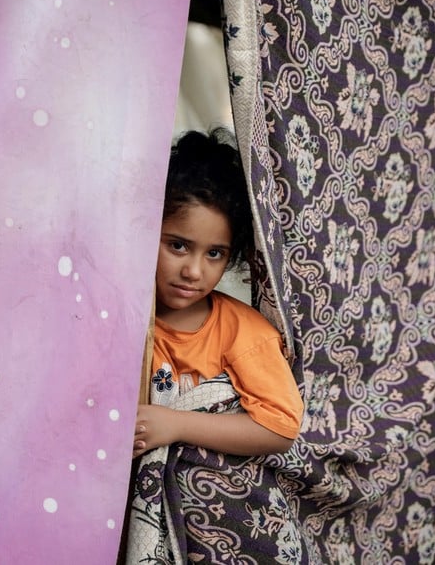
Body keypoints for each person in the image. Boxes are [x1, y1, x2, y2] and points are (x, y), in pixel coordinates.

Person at [122, 129, 304, 564]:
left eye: (215, 254)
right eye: (178, 245)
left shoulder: (243, 332)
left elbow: (279, 427)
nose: (193, 271)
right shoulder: (120, 319)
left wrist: (176, 424)